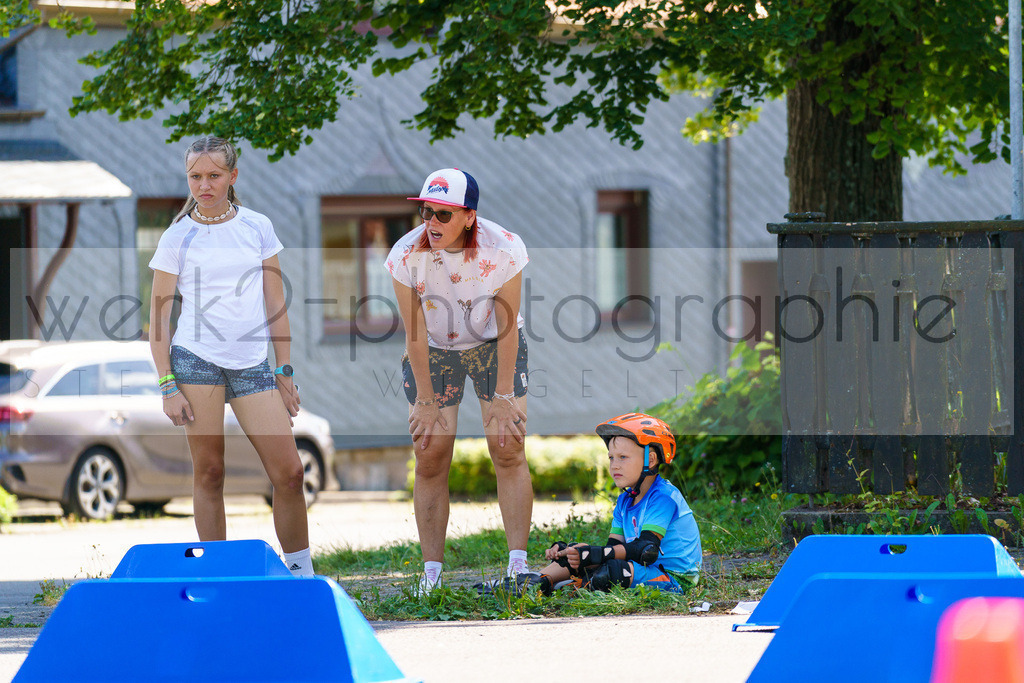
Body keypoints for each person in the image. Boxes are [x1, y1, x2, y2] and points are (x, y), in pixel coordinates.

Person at [148, 136, 313, 576]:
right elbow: (159, 321)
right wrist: (167, 384)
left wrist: (284, 370)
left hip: (253, 364)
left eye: (214, 175)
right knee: (210, 472)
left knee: (290, 472)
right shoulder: (176, 237)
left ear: (232, 177)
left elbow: (276, 305)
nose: (204, 184)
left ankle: (301, 575)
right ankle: (219, 576)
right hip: (196, 361)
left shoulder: (258, 227)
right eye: (195, 176)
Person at [385, 168, 532, 594]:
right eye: (426, 212)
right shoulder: (404, 255)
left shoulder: (504, 248)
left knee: (508, 446)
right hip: (432, 346)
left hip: (492, 340)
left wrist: (504, 394)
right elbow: (413, 332)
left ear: (469, 216)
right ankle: (431, 576)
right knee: (429, 452)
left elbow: (506, 327)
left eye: (443, 215)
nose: (431, 223)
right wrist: (425, 400)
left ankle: (518, 567)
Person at [528, 413, 702, 595]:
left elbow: (646, 550)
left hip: (675, 577)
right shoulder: (625, 501)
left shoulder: (664, 497)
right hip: (643, 569)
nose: (614, 465)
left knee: (611, 571)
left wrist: (592, 554)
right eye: (611, 458)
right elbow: (612, 548)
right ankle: (533, 581)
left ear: (650, 460)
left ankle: (570, 585)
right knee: (575, 553)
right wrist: (576, 552)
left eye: (623, 457)